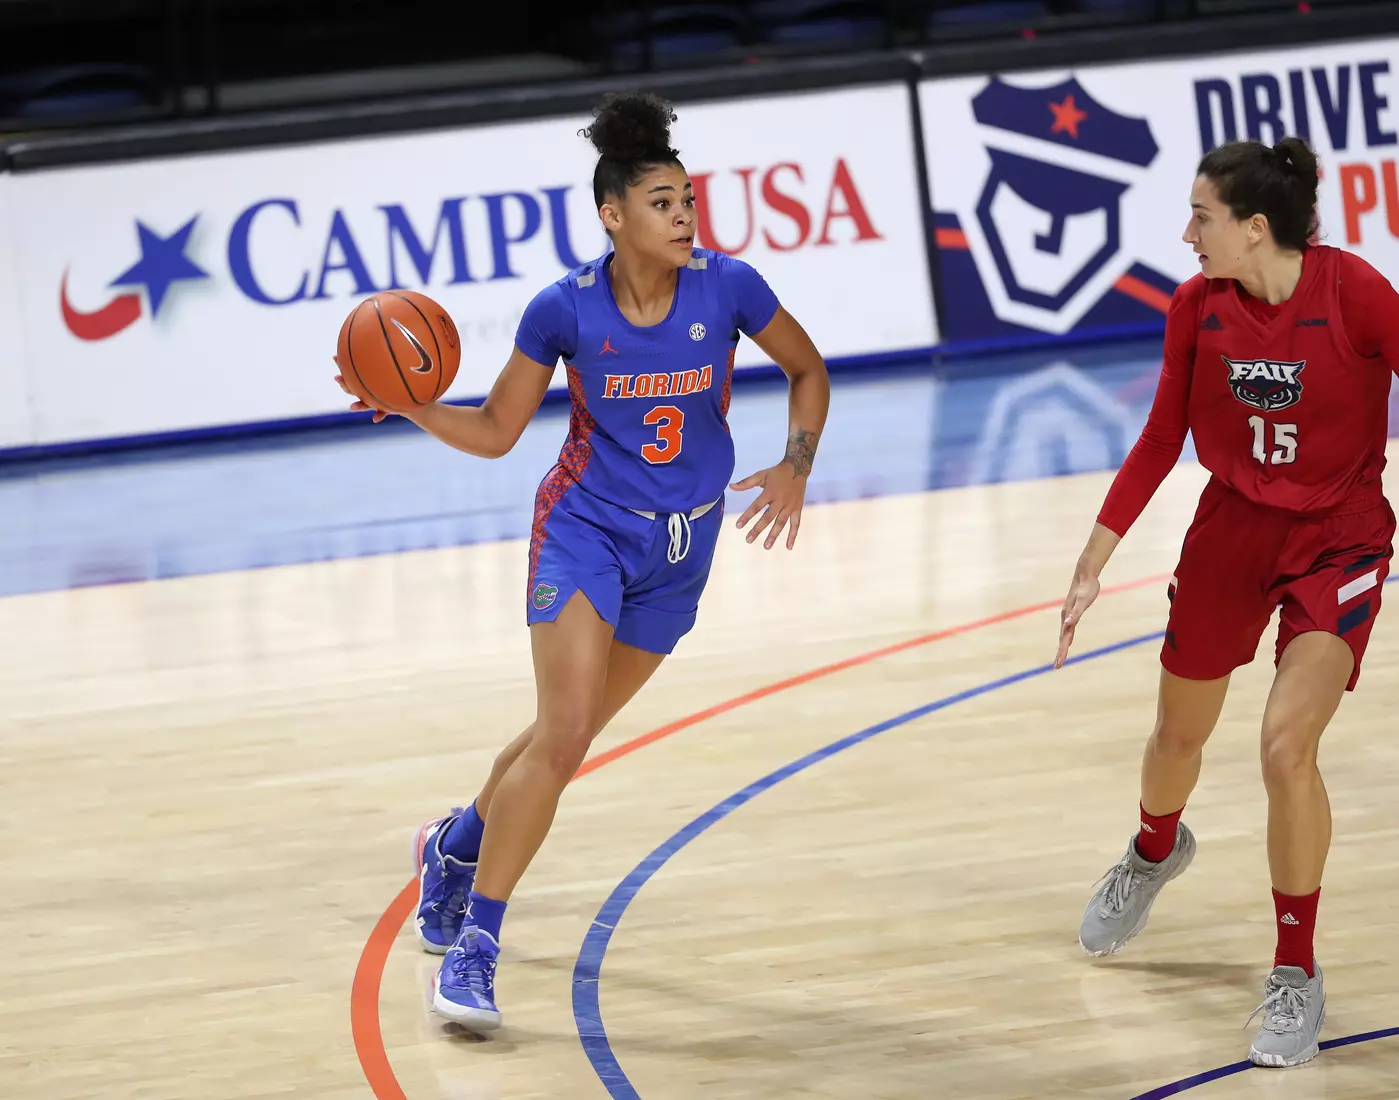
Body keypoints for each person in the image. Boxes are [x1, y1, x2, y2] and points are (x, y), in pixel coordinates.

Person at [335, 90, 830, 1032]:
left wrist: (796, 466)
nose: (685, 216)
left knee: (565, 740)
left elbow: (807, 369)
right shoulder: (562, 308)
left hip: (683, 543)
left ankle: (454, 844)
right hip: (585, 528)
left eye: (688, 199)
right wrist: (408, 405)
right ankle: (476, 950)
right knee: (561, 735)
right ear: (614, 215)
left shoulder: (729, 287)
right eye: (662, 202)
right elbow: (492, 431)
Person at [1055, 136, 1399, 1068]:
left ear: (1253, 229)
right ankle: (1154, 848)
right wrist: (1093, 557)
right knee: (1176, 741)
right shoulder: (1194, 309)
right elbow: (1163, 433)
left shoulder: (1355, 293)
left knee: (1286, 748)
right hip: (1231, 532)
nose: (1185, 234)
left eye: (1200, 217)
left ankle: (1294, 970)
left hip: (1340, 536)